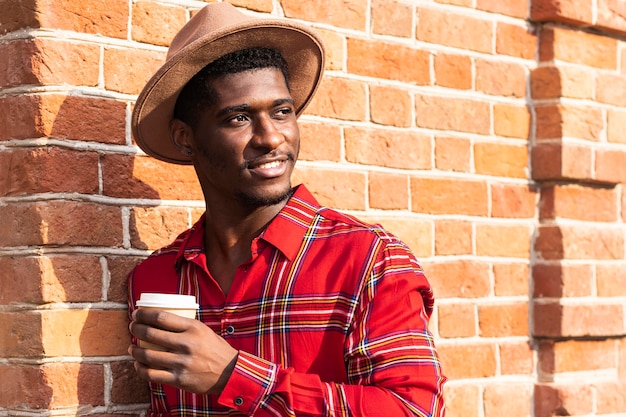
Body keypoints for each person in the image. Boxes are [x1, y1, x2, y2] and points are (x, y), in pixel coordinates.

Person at [127, 3, 446, 416]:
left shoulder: (368, 259)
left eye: (281, 111)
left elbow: (414, 409)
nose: (271, 137)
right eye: (239, 118)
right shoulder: (155, 279)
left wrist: (232, 376)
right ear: (185, 137)